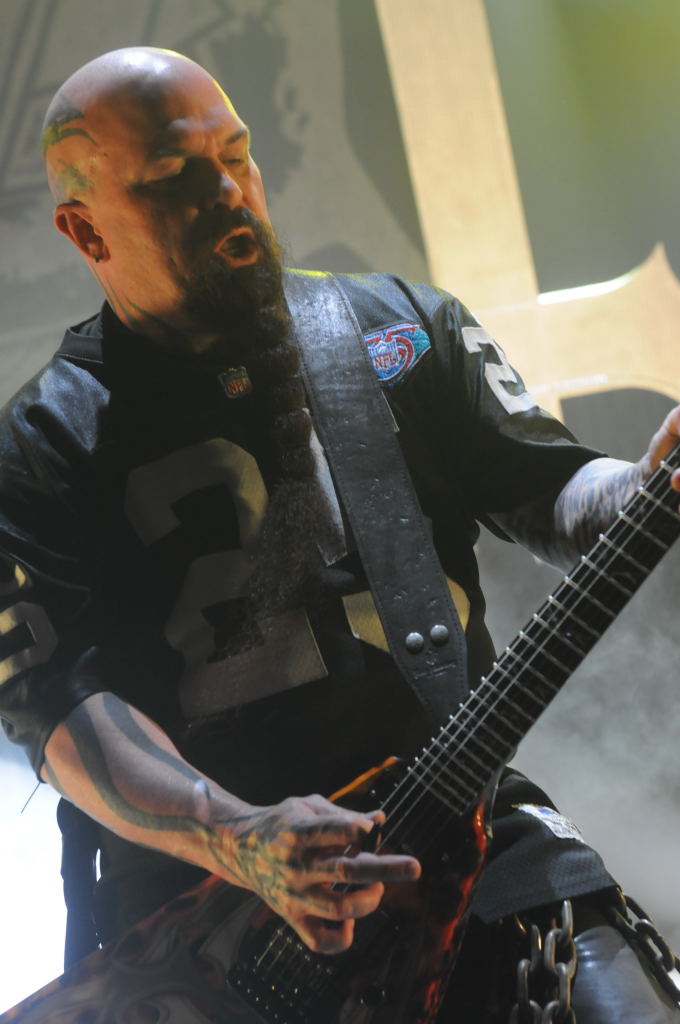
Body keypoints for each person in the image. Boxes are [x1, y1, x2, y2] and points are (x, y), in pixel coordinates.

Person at [0, 46, 678, 1022]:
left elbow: (552, 491)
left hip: (470, 836)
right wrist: (238, 838)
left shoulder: (401, 328)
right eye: (174, 178)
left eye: (236, 155)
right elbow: (59, 711)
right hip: (217, 935)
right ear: (83, 228)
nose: (226, 192)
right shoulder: (41, 444)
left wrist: (647, 487)